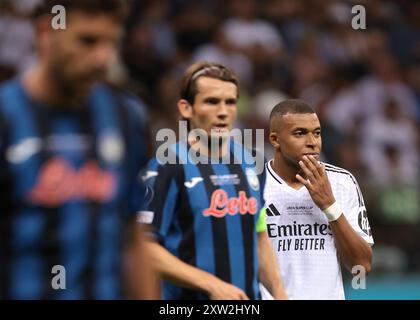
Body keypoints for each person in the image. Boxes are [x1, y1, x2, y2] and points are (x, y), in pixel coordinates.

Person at [0, 0, 157, 299]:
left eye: (111, 43)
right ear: (46, 32)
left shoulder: (126, 117)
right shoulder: (6, 117)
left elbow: (133, 236)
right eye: (87, 41)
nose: (102, 58)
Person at [139, 61, 287, 300]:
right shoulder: (167, 165)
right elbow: (145, 248)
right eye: (211, 101)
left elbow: (259, 236)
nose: (223, 111)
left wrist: (279, 292)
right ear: (186, 109)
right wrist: (211, 284)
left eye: (230, 102)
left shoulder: (251, 162)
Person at [262, 99, 373, 300]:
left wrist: (329, 205)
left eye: (317, 133)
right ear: (275, 140)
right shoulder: (255, 184)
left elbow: (361, 266)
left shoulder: (342, 182)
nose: (313, 142)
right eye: (300, 133)